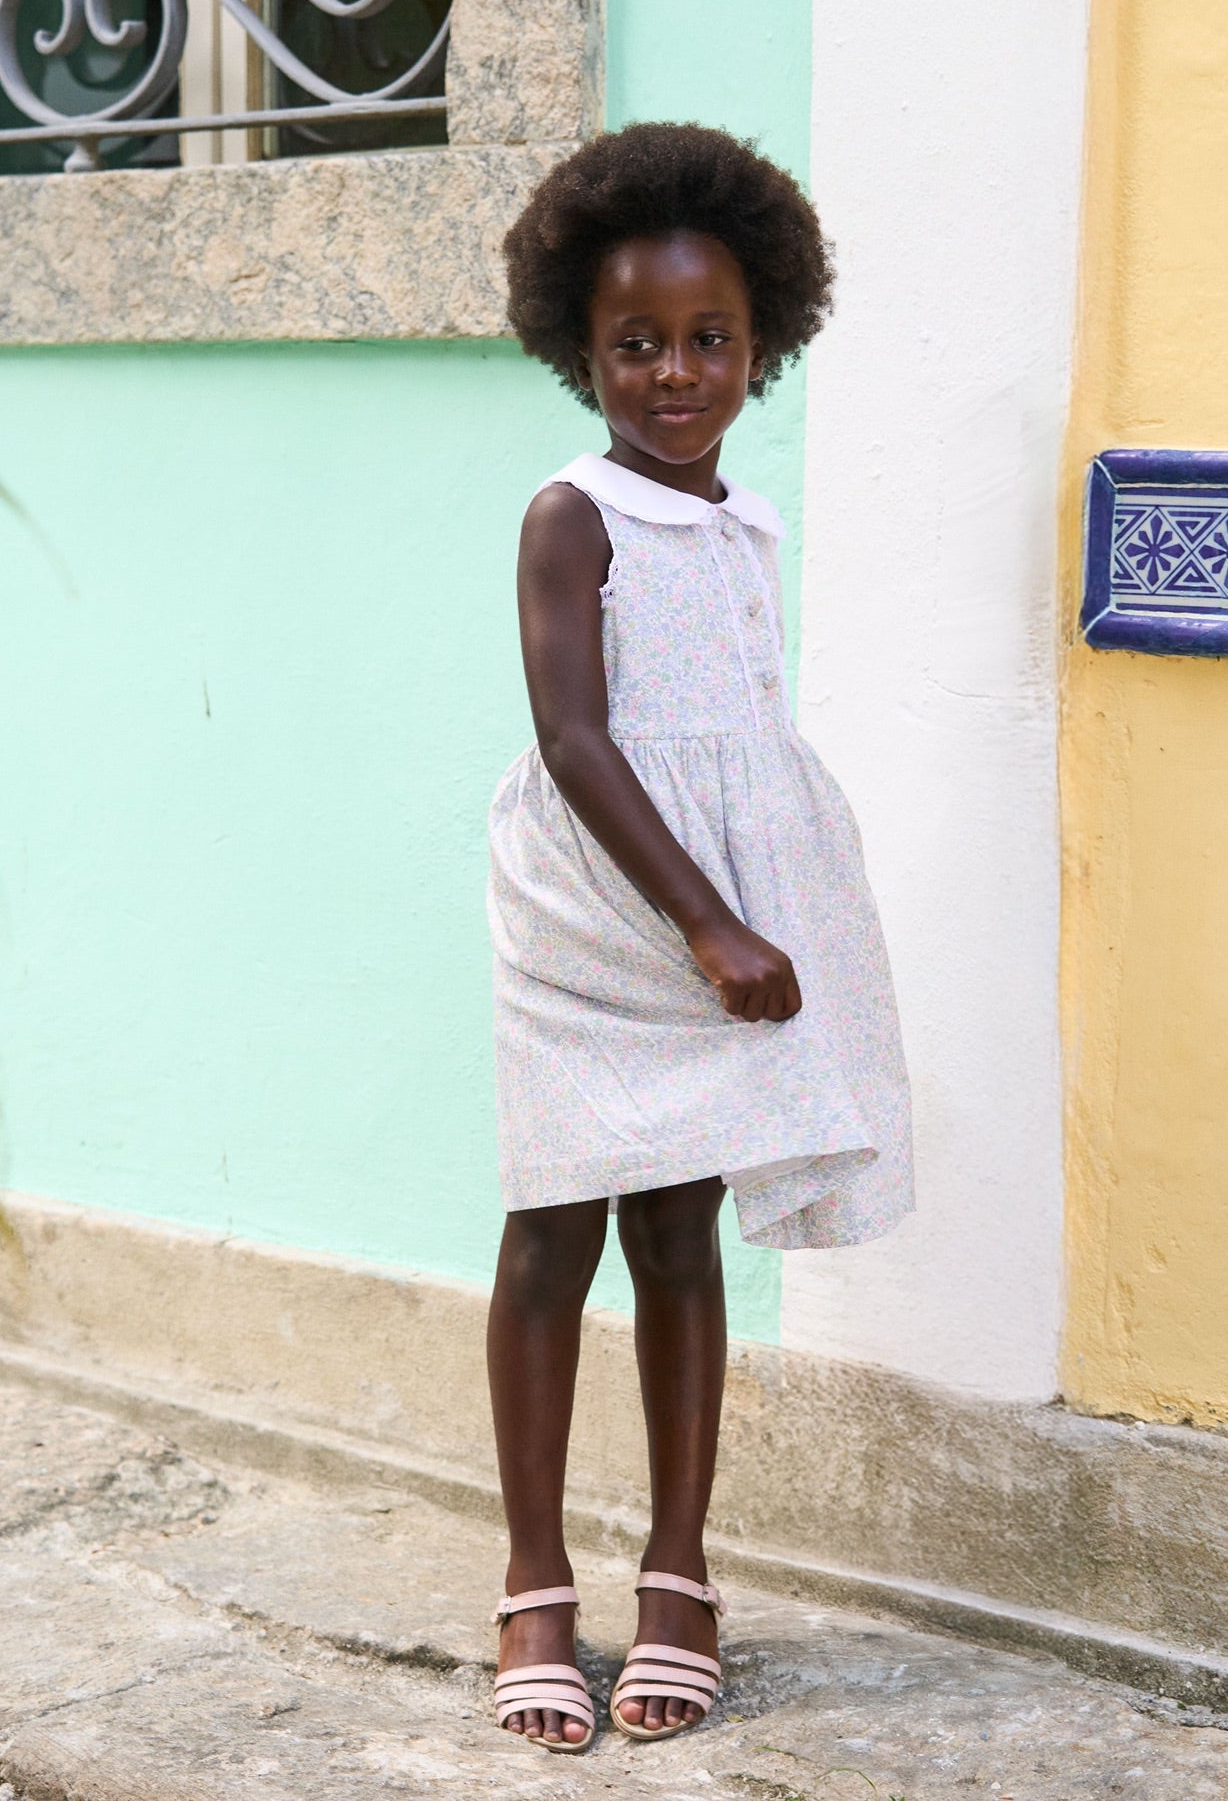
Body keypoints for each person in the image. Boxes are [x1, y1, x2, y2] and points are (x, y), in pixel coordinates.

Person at [485, 123, 914, 1753]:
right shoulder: (571, 512)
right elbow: (582, 739)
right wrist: (711, 919)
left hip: (716, 908)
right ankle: (535, 1572)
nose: (676, 373)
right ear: (580, 352)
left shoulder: (749, 524)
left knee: (678, 1233)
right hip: (601, 913)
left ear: (766, 340)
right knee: (552, 1226)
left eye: (709, 340)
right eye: (637, 346)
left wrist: (772, 901)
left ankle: (680, 1566)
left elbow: (739, 734)